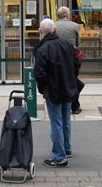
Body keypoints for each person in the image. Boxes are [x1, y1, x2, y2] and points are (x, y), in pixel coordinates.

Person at [34, 18, 81, 168]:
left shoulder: (43, 49)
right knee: (66, 120)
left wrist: (43, 89)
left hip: (53, 90)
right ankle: (67, 149)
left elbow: (40, 73)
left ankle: (59, 157)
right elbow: (76, 64)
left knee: (56, 123)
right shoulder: (66, 45)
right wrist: (71, 80)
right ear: (55, 30)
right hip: (68, 88)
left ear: (41, 32)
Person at [54, 6, 83, 114]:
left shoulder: (53, 26)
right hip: (71, 57)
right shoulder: (74, 26)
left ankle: (60, 103)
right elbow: (78, 43)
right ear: (67, 15)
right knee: (72, 80)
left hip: (56, 57)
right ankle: (75, 106)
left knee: (59, 79)